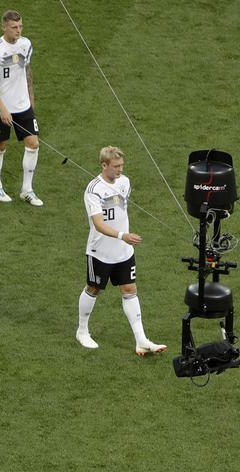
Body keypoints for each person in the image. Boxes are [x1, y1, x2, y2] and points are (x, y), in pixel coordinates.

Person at [75, 146, 167, 355]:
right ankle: (82, 331)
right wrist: (122, 235)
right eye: (116, 166)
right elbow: (98, 223)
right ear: (104, 165)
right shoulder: (93, 190)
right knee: (93, 288)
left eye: (122, 166)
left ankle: (141, 340)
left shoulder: (124, 182)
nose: (120, 170)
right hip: (100, 252)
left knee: (129, 290)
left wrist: (124, 240)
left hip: (123, 252)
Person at [0, 10, 42, 207]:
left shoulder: (26, 45)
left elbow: (27, 71)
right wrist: (3, 109)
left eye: (20, 26)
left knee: (33, 144)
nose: (18, 30)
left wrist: (31, 99)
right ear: (4, 27)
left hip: (23, 106)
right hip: (2, 108)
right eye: (14, 27)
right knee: (1, 146)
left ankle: (27, 190)